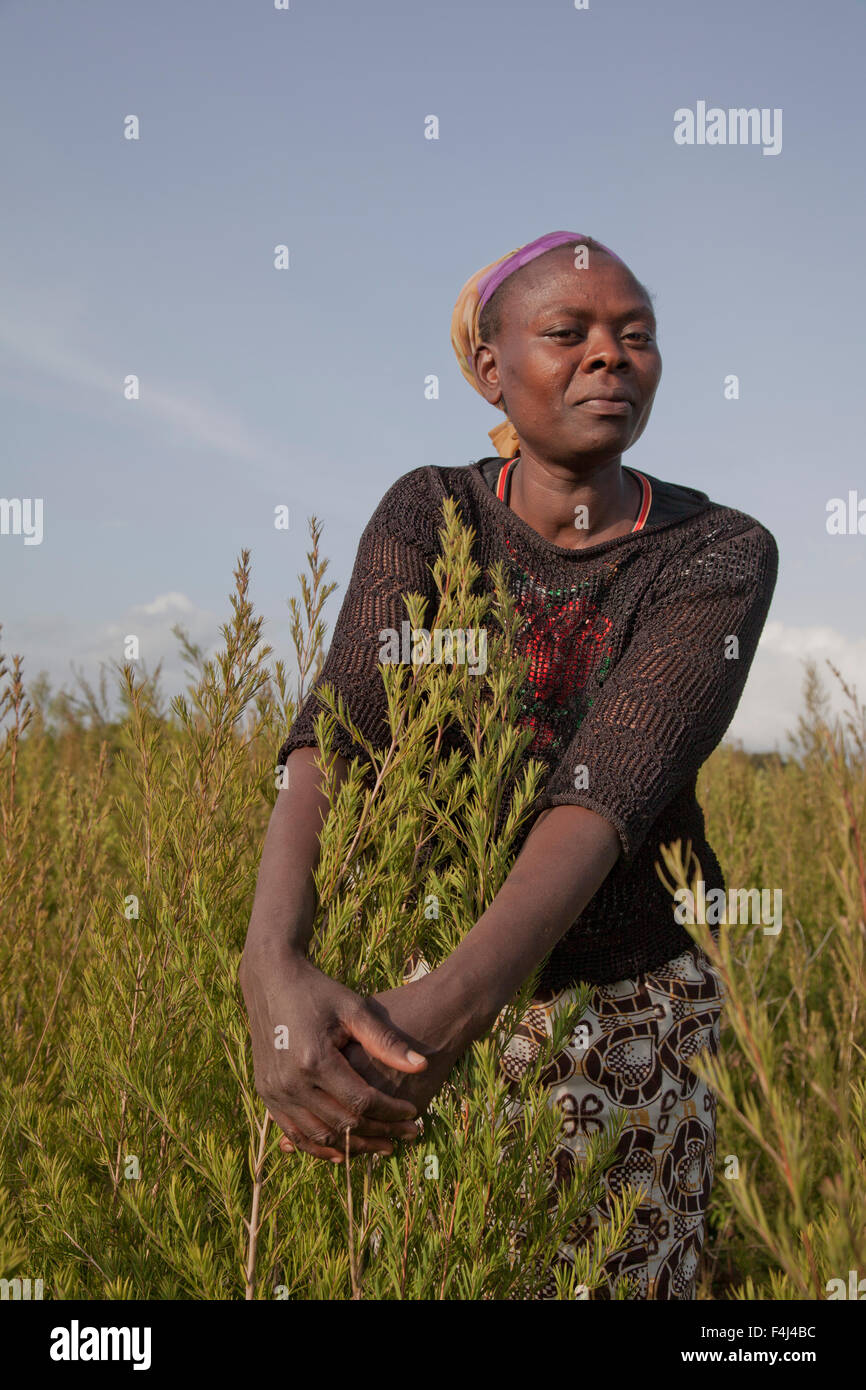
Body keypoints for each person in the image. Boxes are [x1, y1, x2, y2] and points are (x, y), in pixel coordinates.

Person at [239, 230, 779, 1299]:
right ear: (489, 367)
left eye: (634, 336)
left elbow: (605, 788)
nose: (606, 358)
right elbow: (340, 726)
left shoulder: (716, 551)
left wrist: (446, 1014)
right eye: (566, 333)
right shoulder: (430, 511)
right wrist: (268, 962)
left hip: (615, 1010)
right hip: (395, 995)